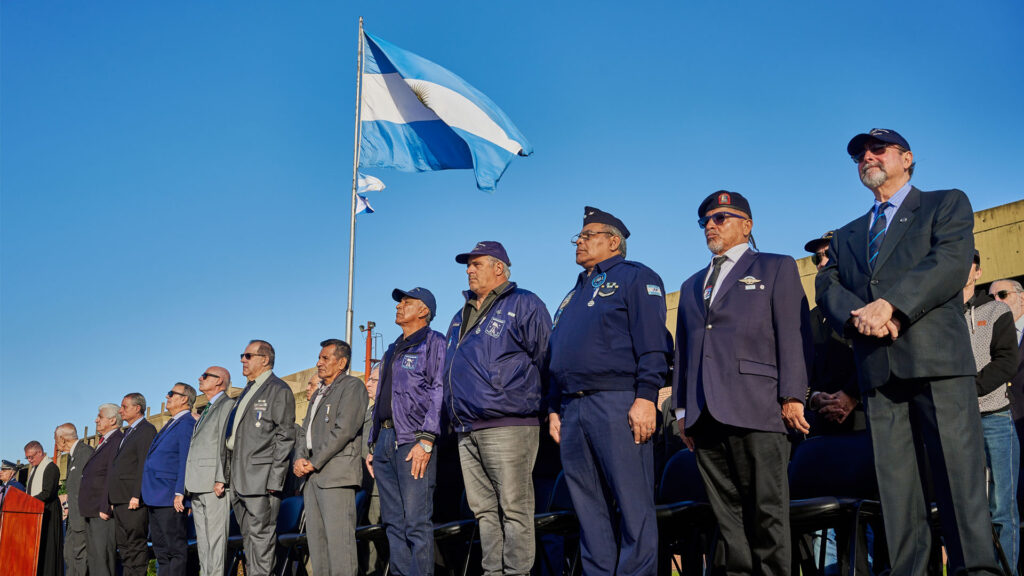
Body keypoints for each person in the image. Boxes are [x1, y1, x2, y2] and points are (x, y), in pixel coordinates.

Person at [816, 127, 1000, 574]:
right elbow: (826, 284)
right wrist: (863, 316)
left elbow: (950, 262)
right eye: (859, 153)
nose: (867, 157)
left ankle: (975, 570)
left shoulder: (945, 203)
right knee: (897, 496)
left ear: (907, 157)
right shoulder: (846, 234)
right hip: (878, 370)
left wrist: (893, 307)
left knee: (960, 485)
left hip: (937, 363)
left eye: (878, 149)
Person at [672, 191, 810, 573]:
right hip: (705, 414)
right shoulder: (691, 284)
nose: (711, 226)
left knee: (768, 514)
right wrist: (682, 409)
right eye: (706, 221)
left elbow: (793, 334)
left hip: (759, 406)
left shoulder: (775, 267)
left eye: (721, 218)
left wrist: (793, 395)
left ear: (747, 226)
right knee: (728, 520)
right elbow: (684, 350)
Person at [547, 208, 671, 576]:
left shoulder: (636, 278)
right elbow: (558, 354)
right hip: (572, 410)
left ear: (613, 241)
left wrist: (646, 397)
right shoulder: (573, 294)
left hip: (618, 402)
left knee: (634, 509)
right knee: (589, 513)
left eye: (588, 236)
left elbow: (653, 344)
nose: (579, 242)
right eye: (578, 237)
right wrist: (554, 407)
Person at [443, 242, 552, 576]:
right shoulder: (459, 315)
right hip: (467, 429)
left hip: (510, 423)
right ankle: (493, 572)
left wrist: (551, 410)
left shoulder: (524, 303)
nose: (469, 270)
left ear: (499, 268)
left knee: (514, 508)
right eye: (468, 265)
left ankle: (517, 573)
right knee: (485, 513)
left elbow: (547, 357)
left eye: (476, 264)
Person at [367, 288, 445, 576]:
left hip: (413, 440)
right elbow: (382, 400)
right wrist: (372, 442)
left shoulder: (434, 342)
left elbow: (439, 390)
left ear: (423, 311)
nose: (399, 306)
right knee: (393, 522)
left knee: (416, 521)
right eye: (399, 302)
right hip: (385, 440)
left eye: (407, 302)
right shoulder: (391, 349)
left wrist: (426, 439)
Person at [962, 252, 1019, 570]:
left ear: (977, 271)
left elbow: (1006, 361)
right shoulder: (941, 314)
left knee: (1001, 510)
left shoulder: (996, 310)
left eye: (967, 263)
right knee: (967, 509)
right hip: (957, 423)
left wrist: (966, 392)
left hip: (994, 419)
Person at [293, 339, 368, 576]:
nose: (319, 363)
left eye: (325, 358)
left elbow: (344, 429)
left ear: (342, 362)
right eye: (319, 357)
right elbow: (305, 431)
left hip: (335, 476)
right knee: (318, 548)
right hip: (312, 478)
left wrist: (314, 461)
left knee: (340, 548)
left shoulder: (352, 387)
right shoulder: (319, 392)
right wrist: (299, 458)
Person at [225, 339, 296, 576]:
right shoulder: (248, 389)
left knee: (262, 541)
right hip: (239, 479)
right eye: (242, 356)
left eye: (248, 356)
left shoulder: (278, 389)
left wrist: (275, 481)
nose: (242, 360)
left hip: (262, 481)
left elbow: (285, 436)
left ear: (264, 359)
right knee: (249, 542)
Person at [803, 231, 864, 435]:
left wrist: (852, 396)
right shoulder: (809, 319)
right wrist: (815, 398)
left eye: (828, 254)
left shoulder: (870, 306)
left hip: (868, 422)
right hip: (823, 428)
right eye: (816, 258)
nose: (821, 263)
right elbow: (803, 371)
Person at [142, 383, 198, 576]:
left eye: (171, 394)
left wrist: (180, 491)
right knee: (161, 551)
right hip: (155, 495)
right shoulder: (172, 422)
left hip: (169, 495)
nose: (167, 397)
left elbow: (185, 459)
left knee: (175, 549)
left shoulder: (187, 422)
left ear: (184, 399)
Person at [185, 367, 235, 576]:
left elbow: (227, 444)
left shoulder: (227, 405)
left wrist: (221, 477)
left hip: (215, 483)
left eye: (205, 376)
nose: (200, 378)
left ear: (219, 381)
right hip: (197, 483)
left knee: (215, 541)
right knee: (203, 542)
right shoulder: (207, 408)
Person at [109, 393, 158, 576]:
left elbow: (143, 464)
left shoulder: (146, 430)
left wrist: (136, 495)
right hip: (120, 498)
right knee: (124, 546)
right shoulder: (128, 432)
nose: (121, 410)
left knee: (135, 545)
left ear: (137, 408)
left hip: (133, 498)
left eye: (124, 407)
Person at [79, 404, 124, 576]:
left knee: (103, 559)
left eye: (100, 416)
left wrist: (106, 505)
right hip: (92, 510)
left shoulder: (116, 440)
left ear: (112, 420)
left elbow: (112, 475)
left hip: (102, 511)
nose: (96, 420)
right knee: (95, 559)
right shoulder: (104, 441)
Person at [55, 423, 94, 576]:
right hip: (73, 517)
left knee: (80, 558)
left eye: (56, 440)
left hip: (82, 517)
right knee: (69, 555)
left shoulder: (85, 453)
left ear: (62, 439)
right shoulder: (73, 455)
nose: (57, 446)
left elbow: (88, 486)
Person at [25, 440, 63, 576]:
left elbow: (48, 492)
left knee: (48, 550)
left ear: (40, 452)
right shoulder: (34, 469)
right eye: (27, 458)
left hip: (49, 513)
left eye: (31, 457)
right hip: (37, 512)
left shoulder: (50, 467)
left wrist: (27, 501)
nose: (29, 460)